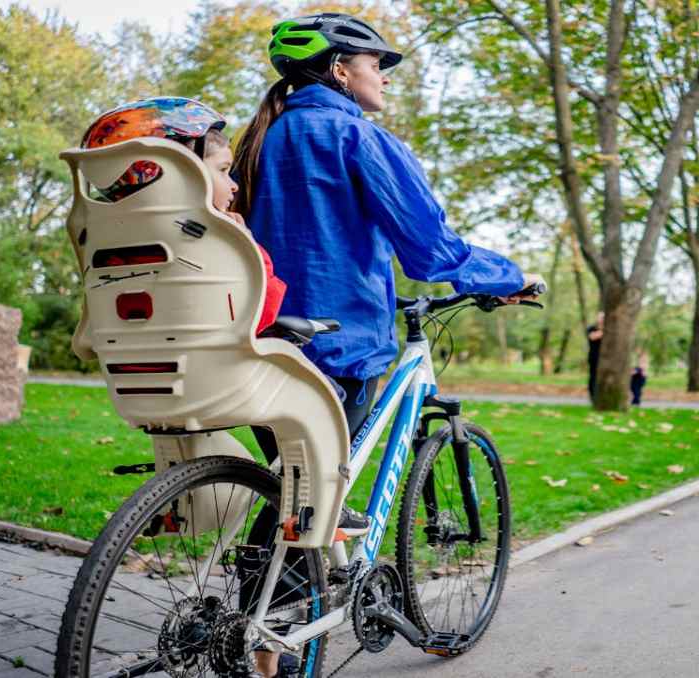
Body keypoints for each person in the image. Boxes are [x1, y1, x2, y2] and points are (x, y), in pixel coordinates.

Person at [230, 14, 542, 676]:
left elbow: (301, 247)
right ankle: (273, 647)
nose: (384, 76)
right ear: (342, 68)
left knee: (295, 495)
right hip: (339, 351)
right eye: (378, 63)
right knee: (313, 500)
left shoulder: (264, 138)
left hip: (265, 340)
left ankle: (257, 635)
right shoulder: (353, 134)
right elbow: (430, 249)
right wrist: (509, 278)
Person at [79, 98, 288, 338]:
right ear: (184, 173)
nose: (234, 186)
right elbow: (258, 319)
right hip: (220, 369)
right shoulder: (223, 246)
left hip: (129, 367)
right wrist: (247, 245)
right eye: (223, 170)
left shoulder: (106, 242)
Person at [586, 312, 604, 400]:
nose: (602, 319)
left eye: (603, 318)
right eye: (600, 317)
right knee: (593, 376)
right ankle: (592, 395)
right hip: (594, 356)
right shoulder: (591, 328)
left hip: (606, 358)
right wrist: (604, 330)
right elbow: (593, 337)